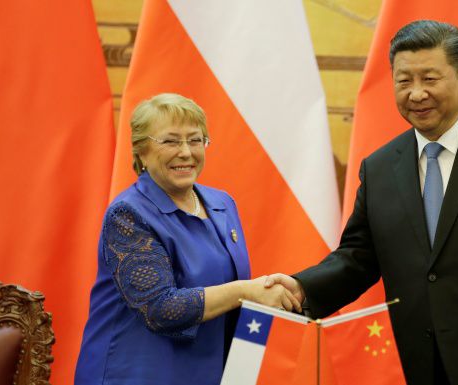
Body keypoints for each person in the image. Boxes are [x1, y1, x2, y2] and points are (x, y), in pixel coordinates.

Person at [265, 20, 458, 385]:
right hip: (418, 361)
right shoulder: (380, 167)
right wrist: (301, 288)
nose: (415, 94)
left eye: (429, 79)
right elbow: (358, 257)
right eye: (403, 81)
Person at [75, 93, 300, 385]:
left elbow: (234, 290)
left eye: (195, 140)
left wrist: (271, 290)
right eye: (170, 141)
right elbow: (161, 309)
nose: (185, 152)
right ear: (141, 151)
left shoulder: (222, 204)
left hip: (207, 372)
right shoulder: (128, 214)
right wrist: (248, 290)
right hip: (136, 374)